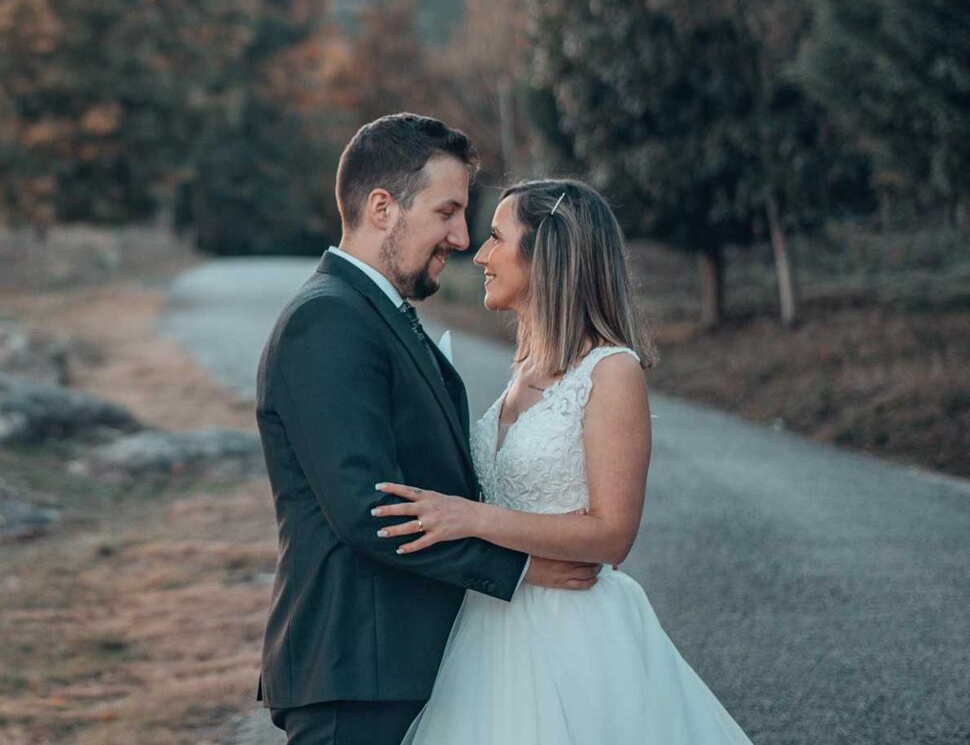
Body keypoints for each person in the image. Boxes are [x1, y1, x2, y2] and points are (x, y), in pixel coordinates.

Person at [371, 178, 756, 744]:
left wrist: (469, 517)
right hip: (489, 623)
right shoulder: (523, 367)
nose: (479, 253)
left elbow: (612, 534)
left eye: (497, 238)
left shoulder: (611, 371)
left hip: (573, 633)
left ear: (547, 252)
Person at [255, 116, 600, 745]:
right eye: (447, 212)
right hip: (357, 670)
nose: (461, 237)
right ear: (382, 208)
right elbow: (370, 511)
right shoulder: (327, 321)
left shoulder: (374, 312)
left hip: (401, 666)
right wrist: (520, 568)